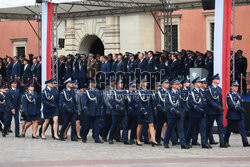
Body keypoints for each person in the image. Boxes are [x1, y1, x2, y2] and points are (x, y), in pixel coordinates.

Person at [163, 79, 190, 149]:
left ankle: (183, 144)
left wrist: (185, 109)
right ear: (173, 85)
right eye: (177, 84)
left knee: (181, 129)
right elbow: (167, 105)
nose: (178, 85)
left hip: (180, 114)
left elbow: (182, 102)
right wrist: (174, 111)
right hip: (172, 114)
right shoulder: (168, 93)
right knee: (170, 128)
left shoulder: (179, 92)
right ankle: (165, 142)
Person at [186, 77, 211, 149]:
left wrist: (204, 108)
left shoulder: (202, 92)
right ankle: (187, 141)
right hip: (194, 113)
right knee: (191, 128)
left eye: (200, 82)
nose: (200, 83)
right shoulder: (191, 92)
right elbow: (190, 103)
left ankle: (204, 143)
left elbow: (205, 101)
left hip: (202, 113)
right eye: (199, 82)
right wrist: (197, 108)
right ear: (195, 84)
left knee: (203, 128)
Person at [224, 81, 250, 147]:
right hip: (232, 115)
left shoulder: (239, 94)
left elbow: (241, 102)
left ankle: (245, 142)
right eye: (235, 86)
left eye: (237, 86)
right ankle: (225, 141)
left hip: (239, 115)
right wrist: (239, 108)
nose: (236, 87)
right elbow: (231, 105)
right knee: (229, 129)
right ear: (231, 87)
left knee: (242, 129)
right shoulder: (229, 95)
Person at [206, 74, 227, 148]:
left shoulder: (219, 89)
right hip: (211, 111)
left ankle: (222, 142)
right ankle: (205, 141)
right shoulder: (209, 89)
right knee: (208, 127)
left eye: (219, 79)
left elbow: (220, 100)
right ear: (213, 80)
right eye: (217, 79)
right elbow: (209, 100)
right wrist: (217, 107)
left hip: (219, 112)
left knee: (220, 127)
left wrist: (221, 108)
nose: (219, 80)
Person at [81, 78, 103, 143]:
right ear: (90, 83)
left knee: (96, 126)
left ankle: (97, 138)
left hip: (96, 111)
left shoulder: (98, 92)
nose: (95, 84)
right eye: (93, 83)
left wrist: (101, 109)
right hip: (89, 111)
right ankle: (84, 136)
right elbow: (84, 102)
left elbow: (101, 102)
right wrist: (86, 109)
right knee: (87, 125)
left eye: (95, 83)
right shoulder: (86, 92)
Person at [135, 78, 157, 146]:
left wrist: (154, 109)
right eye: (144, 82)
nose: (146, 83)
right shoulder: (138, 92)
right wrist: (143, 110)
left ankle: (153, 140)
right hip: (141, 111)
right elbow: (138, 102)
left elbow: (152, 101)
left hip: (149, 110)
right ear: (141, 83)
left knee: (151, 124)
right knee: (140, 125)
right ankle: (138, 139)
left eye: (146, 82)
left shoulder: (149, 91)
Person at [108, 79, 130, 145]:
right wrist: (116, 106)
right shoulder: (113, 92)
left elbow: (126, 101)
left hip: (123, 112)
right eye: (120, 83)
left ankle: (125, 139)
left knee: (125, 126)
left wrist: (128, 108)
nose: (122, 84)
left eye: (122, 83)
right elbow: (111, 101)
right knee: (114, 125)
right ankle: (110, 138)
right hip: (116, 112)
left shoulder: (124, 92)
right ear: (117, 85)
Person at [154, 79, 169, 145]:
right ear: (162, 84)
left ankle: (168, 140)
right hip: (161, 112)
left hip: (168, 111)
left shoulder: (169, 91)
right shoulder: (158, 92)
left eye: (168, 83)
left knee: (170, 126)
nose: (167, 84)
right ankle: (157, 140)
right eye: (166, 83)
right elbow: (156, 102)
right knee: (159, 126)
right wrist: (161, 109)